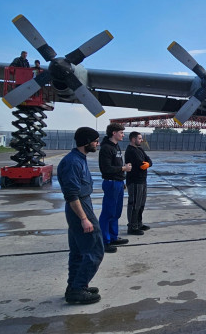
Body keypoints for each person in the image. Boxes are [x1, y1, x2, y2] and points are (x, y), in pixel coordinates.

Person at [57, 126, 106, 305]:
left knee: (78, 252)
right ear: (86, 142)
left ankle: (75, 286)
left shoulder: (79, 158)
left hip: (81, 205)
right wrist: (84, 218)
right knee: (95, 249)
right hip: (79, 208)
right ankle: (78, 289)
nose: (97, 143)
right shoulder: (72, 162)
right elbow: (72, 195)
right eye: (95, 140)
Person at [98, 122, 131, 252]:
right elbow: (106, 168)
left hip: (117, 182)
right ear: (114, 133)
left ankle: (113, 236)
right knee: (108, 212)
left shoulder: (116, 146)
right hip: (111, 182)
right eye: (121, 132)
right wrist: (124, 168)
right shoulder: (106, 148)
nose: (123, 134)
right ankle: (104, 241)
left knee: (116, 212)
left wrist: (121, 180)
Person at [125, 131, 152, 235]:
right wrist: (146, 164)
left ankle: (139, 223)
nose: (141, 140)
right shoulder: (131, 151)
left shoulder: (139, 149)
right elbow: (141, 164)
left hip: (142, 180)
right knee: (134, 203)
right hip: (135, 180)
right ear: (133, 139)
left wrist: (148, 163)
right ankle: (132, 226)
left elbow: (149, 160)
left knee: (141, 203)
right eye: (139, 138)